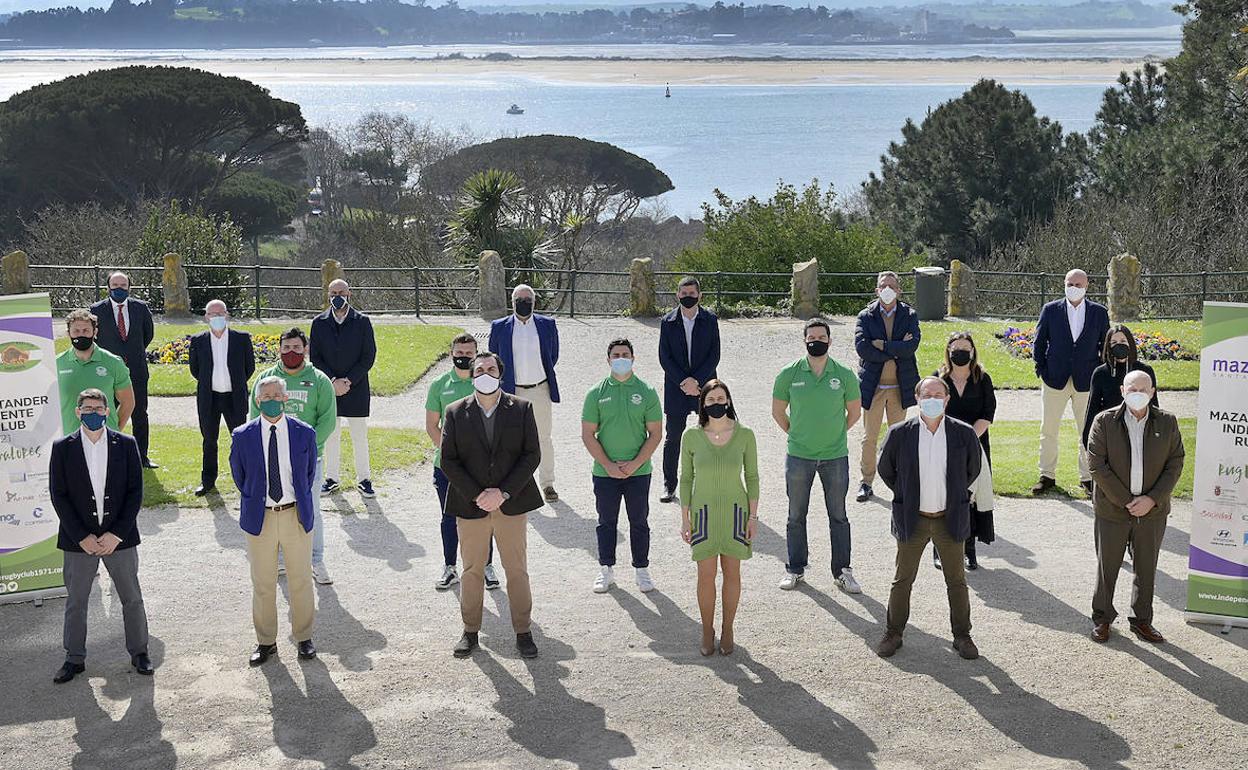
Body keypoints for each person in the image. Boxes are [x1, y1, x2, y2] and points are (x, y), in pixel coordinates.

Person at [440, 352, 543, 660]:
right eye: (480, 369)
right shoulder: (456, 412)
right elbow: (448, 460)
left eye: (491, 369)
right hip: (471, 506)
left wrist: (504, 493)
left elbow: (532, 455)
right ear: (472, 375)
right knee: (471, 570)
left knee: (516, 570)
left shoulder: (522, 408)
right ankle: (470, 632)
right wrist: (477, 495)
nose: (485, 373)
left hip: (510, 504)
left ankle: (523, 631)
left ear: (501, 373)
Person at [876, 377, 983, 661]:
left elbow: (973, 469)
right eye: (927, 394)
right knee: (902, 580)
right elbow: (886, 469)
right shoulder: (900, 433)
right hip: (913, 518)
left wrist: (956, 494)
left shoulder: (963, 433)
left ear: (947, 399)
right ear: (918, 398)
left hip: (950, 518)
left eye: (938, 394)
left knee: (957, 581)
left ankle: (962, 635)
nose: (933, 398)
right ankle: (893, 632)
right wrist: (906, 493)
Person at [48, 388, 151, 683]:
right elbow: (60, 496)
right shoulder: (62, 448)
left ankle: (139, 652)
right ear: (78, 412)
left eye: (98, 408)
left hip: (120, 539)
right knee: (77, 601)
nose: (93, 413)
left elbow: (135, 493)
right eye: (87, 408)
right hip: (78, 541)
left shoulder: (127, 444)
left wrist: (116, 534)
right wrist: (82, 537)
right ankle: (74, 658)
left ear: (107, 411)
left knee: (131, 597)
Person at [1087, 370, 1184, 645]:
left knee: (1146, 568)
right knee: (1108, 567)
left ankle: (1142, 621)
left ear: (1152, 391)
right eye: (1132, 389)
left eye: (1143, 388)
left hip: (1152, 511)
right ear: (1122, 391)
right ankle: (1102, 619)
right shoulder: (1103, 421)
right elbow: (1097, 464)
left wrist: (1152, 499)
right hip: (1113, 510)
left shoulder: (1167, 422)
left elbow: (1175, 462)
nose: (1138, 393)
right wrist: (1127, 501)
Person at [230, 376, 320, 667]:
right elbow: (239, 475)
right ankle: (266, 642)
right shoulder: (242, 435)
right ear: (257, 402)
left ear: (285, 399)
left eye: (276, 394)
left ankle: (304, 637)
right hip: (261, 518)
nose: (271, 399)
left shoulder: (303, 433)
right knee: (263, 582)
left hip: (294, 515)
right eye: (265, 395)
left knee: (301, 580)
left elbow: (307, 475)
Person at [772, 318, 862, 593]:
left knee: (839, 515)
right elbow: (778, 412)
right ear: (804, 341)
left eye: (821, 336)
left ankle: (843, 571)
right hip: (799, 456)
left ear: (830, 340)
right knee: (796, 515)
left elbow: (855, 413)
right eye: (811, 337)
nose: (816, 341)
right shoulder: (789, 373)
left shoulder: (845, 374)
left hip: (835, 456)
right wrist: (797, 434)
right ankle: (795, 568)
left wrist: (834, 434)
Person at [250, 328, 337, 585]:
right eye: (286, 348)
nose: (291, 353)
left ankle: (316, 559)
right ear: (279, 349)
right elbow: (253, 417)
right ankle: (279, 560)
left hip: (308, 459)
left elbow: (327, 421)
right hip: (273, 458)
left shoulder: (319, 380)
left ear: (305, 349)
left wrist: (306, 448)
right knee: (275, 508)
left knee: (310, 509)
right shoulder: (265, 378)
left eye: (297, 348)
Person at [679, 380, 759, 657]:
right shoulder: (690, 437)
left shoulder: (745, 435)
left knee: (732, 573)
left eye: (720, 398)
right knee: (706, 575)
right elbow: (686, 478)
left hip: (736, 514)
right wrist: (685, 517)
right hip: (703, 515)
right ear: (702, 404)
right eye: (710, 400)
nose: (716, 403)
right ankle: (706, 629)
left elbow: (752, 477)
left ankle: (727, 628)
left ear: (729, 400)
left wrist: (753, 517)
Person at [582, 338, 663, 594]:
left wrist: (635, 463)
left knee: (639, 521)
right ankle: (606, 569)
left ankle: (642, 570)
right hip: (605, 472)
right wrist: (607, 465)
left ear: (633, 358)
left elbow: (656, 433)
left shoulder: (647, 391)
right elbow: (587, 434)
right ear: (608, 360)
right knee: (606, 521)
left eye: (625, 354)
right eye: (615, 355)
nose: (620, 358)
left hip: (638, 472)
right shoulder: (596, 393)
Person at [424, 333, 499, 592]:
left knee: (485, 516)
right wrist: (451, 456)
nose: (463, 356)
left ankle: (487, 566)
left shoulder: (486, 384)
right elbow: (432, 426)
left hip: (482, 467)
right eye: (460, 352)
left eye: (469, 353)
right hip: (447, 466)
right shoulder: (439, 385)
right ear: (451, 352)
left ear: (476, 354)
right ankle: (450, 567)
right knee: (449, 517)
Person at [1032, 268, 1110, 497]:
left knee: (1087, 431)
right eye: (1069, 283)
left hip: (1087, 380)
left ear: (1086, 287)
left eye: (1078, 284)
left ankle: (1087, 478)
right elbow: (1039, 342)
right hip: (1054, 378)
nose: (1073, 288)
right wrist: (1041, 370)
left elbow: (1104, 346)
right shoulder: (1050, 310)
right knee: (1048, 430)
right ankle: (1047, 475)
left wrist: (1100, 374)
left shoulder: (1099, 312)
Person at [489, 284, 560, 503]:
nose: (523, 302)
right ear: (512, 302)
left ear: (534, 302)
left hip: (539, 388)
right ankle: (515, 485)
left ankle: (547, 483)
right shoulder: (500, 326)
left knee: (543, 438)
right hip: (512, 391)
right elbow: (494, 357)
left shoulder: (547, 325)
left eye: (527, 299)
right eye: (519, 299)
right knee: (511, 440)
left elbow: (553, 355)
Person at [854, 271, 920, 503]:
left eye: (891, 285)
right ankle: (866, 482)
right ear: (877, 290)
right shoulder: (865, 316)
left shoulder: (909, 314)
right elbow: (863, 348)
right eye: (883, 285)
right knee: (869, 437)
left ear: (899, 290)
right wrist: (894, 349)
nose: (887, 289)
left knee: (899, 438)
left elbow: (911, 346)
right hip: (874, 387)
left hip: (899, 388)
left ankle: (900, 482)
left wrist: (882, 345)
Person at [933, 332, 996, 571]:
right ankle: (939, 550)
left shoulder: (983, 379)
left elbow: (987, 414)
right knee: (942, 497)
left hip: (975, 445)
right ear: (948, 351)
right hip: (942, 445)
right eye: (955, 347)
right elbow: (931, 411)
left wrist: (967, 438)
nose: (960, 352)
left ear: (972, 352)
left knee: (969, 498)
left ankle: (969, 551)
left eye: (965, 348)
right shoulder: (938, 379)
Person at [311, 279, 378, 499]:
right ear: (327, 294)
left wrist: (348, 380)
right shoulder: (319, 322)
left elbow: (368, 356)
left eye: (340, 291)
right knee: (331, 435)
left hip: (356, 387)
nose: (336, 295)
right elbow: (316, 357)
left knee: (360, 436)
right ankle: (331, 478)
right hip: (329, 388)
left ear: (349, 294)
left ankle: (364, 479)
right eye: (332, 292)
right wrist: (332, 381)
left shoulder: (362, 322)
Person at [657, 277, 721, 503]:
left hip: (706, 387)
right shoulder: (667, 321)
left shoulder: (710, 320)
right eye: (683, 293)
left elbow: (715, 355)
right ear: (677, 295)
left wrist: (697, 382)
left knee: (711, 434)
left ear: (700, 295)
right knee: (673, 437)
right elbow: (665, 357)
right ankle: (669, 485)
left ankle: (711, 482)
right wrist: (684, 381)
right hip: (677, 387)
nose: (687, 297)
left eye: (692, 293)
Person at [90, 272, 158, 468]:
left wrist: (132, 353)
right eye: (115, 285)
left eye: (123, 285)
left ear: (129, 287)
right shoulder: (96, 310)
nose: (119, 288)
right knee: (106, 411)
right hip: (107, 371)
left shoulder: (140, 308)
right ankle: (107, 453)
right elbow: (95, 339)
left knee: (140, 412)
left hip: (136, 369)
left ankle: (141, 456)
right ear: (108, 287)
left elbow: (148, 335)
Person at [188, 300, 255, 497]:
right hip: (209, 399)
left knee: (240, 439)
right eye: (212, 314)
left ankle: (246, 478)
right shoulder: (198, 340)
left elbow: (248, 367)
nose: (216, 317)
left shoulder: (241, 339)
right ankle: (208, 481)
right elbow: (195, 369)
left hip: (234, 398)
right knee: (209, 440)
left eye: (220, 313)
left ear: (226, 315)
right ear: (206, 317)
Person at [56, 309, 135, 437]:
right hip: (68, 442)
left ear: (95, 332)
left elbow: (128, 401)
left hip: (105, 442)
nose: (81, 335)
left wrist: (114, 431)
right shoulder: (56, 364)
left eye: (86, 331)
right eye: (76, 331)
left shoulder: (113, 362)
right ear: (68, 333)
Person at [1082, 324, 1159, 449]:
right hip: (1111, 431)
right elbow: (1092, 408)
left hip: (1139, 428)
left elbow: (1154, 404)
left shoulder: (1144, 370)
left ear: (1130, 343)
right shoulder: (1101, 373)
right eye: (1114, 342)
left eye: (1123, 341)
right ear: (1108, 346)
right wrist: (1087, 440)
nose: (1119, 345)